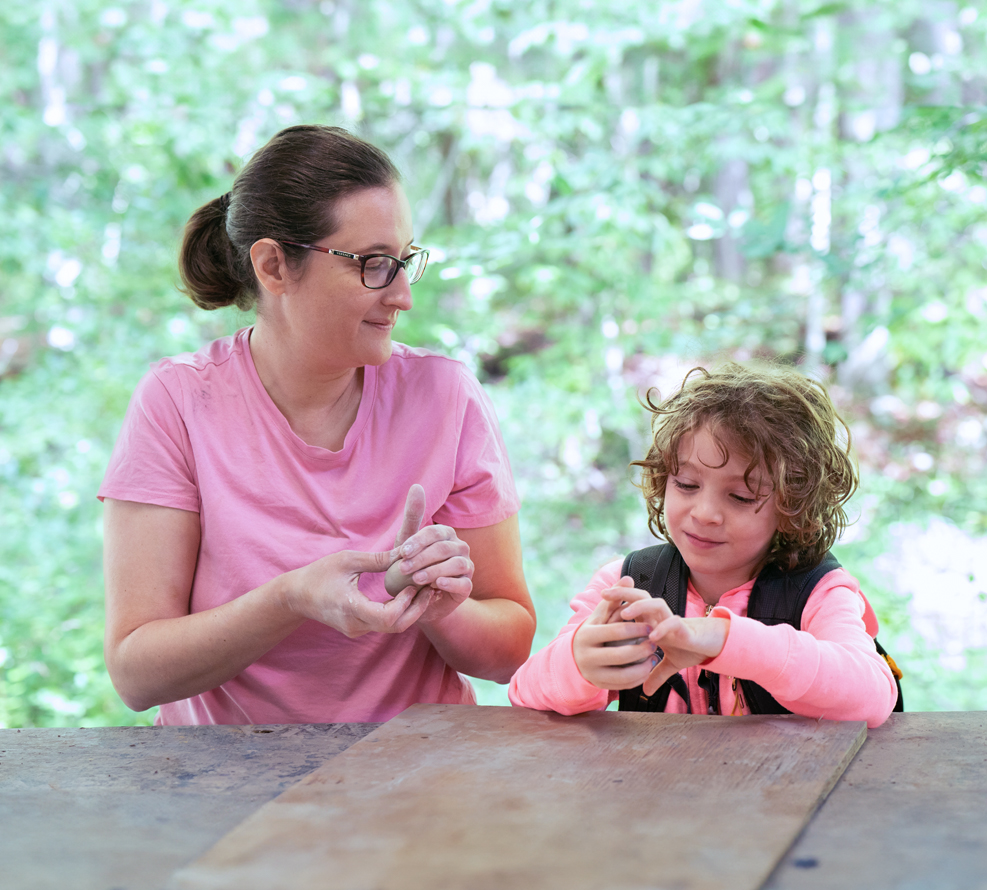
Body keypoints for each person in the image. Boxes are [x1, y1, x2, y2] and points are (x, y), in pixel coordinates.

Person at [99, 124, 535, 725]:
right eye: (375, 264)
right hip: (223, 774)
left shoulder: (445, 396)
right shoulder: (176, 401)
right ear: (274, 266)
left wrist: (439, 604)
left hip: (417, 767)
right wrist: (291, 599)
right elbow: (136, 674)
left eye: (405, 261)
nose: (403, 295)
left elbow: (510, 653)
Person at [509, 363, 898, 728]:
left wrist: (724, 640)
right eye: (686, 484)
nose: (705, 513)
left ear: (792, 506)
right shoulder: (629, 583)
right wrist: (578, 663)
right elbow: (524, 691)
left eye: (741, 496)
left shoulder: (818, 591)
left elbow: (871, 696)